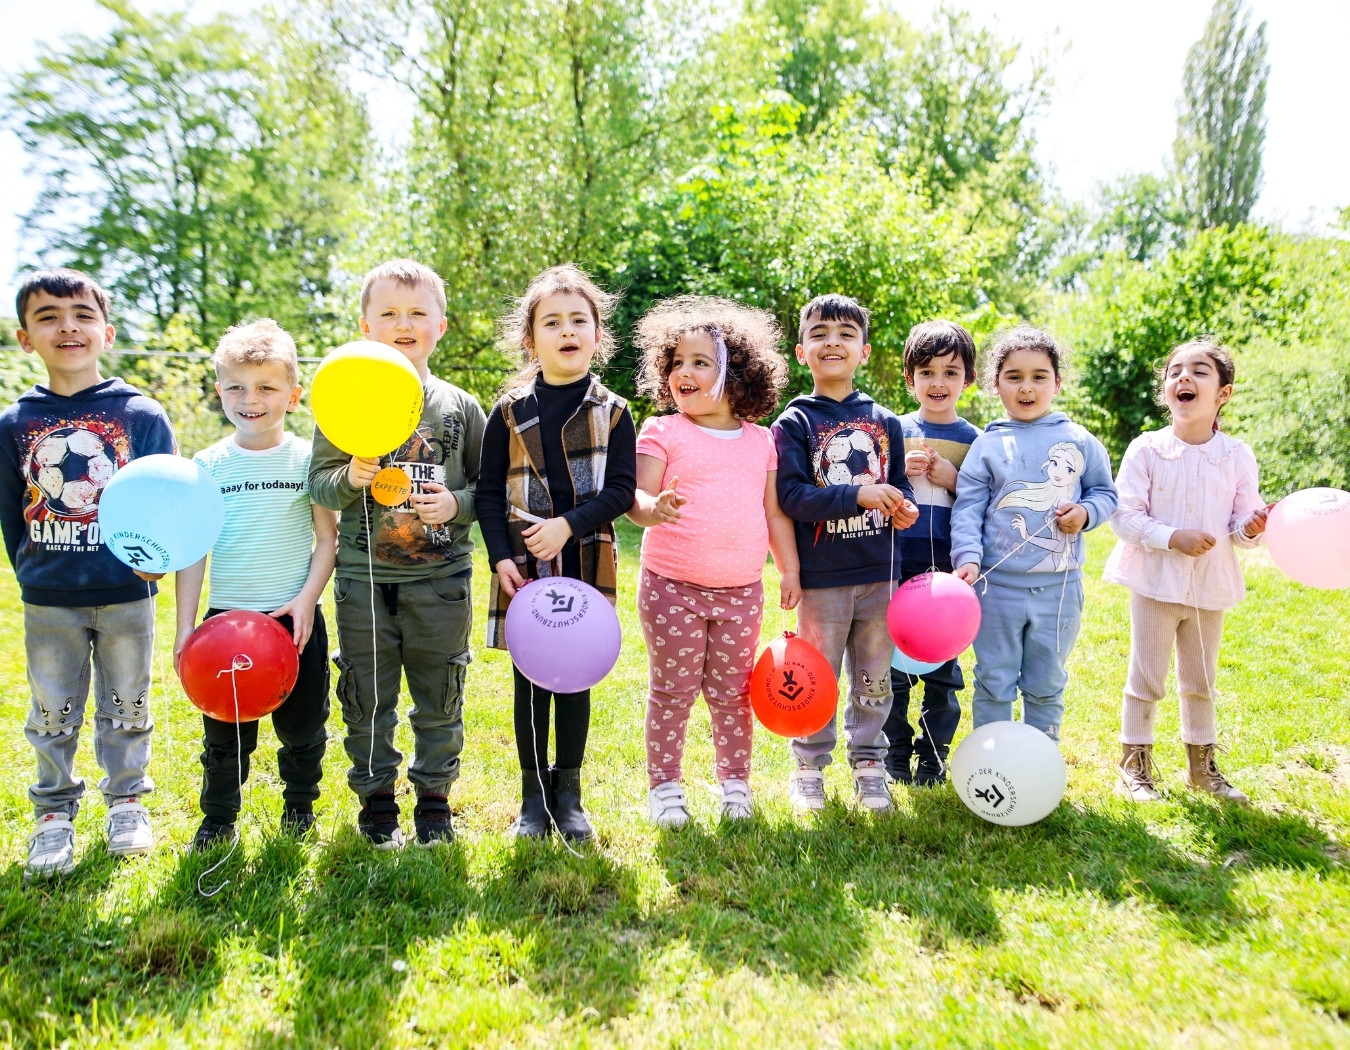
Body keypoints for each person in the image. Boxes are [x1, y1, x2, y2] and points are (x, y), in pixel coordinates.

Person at [0, 268, 175, 877]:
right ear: (26, 338)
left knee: (127, 703)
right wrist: (33, 571)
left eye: (81, 315)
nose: (67, 327)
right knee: (51, 709)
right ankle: (53, 813)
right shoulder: (14, 423)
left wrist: (152, 563)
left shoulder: (140, 414)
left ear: (107, 331)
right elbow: (10, 514)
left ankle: (127, 802)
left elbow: (167, 501)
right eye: (48, 317)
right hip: (50, 598)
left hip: (127, 592)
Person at [309, 259, 486, 849]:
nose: (403, 324)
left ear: (441, 325)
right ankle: (377, 799)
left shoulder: (459, 406)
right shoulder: (343, 401)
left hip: (441, 581)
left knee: (440, 694)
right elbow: (319, 485)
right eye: (388, 313)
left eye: (417, 313)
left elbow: (488, 488)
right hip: (364, 581)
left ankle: (435, 800)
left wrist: (455, 505)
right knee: (367, 697)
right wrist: (350, 478)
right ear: (365, 326)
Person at [478, 264, 636, 841]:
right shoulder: (508, 410)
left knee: (573, 676)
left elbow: (621, 490)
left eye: (578, 321)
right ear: (530, 339)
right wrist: (500, 557)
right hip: (522, 564)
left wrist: (568, 525)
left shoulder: (613, 410)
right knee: (529, 677)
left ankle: (568, 794)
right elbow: (488, 492)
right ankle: (532, 798)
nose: (566, 330)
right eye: (552, 322)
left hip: (584, 556)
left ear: (597, 334)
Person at [626, 296, 798, 827]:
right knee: (672, 691)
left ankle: (736, 786)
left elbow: (773, 513)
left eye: (700, 362)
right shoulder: (663, 431)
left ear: (736, 374)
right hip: (671, 586)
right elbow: (636, 499)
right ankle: (665, 788)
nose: (684, 372)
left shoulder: (761, 441)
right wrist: (655, 508)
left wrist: (789, 569)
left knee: (732, 694)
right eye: (676, 362)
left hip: (741, 591)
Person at [173, 319, 339, 850]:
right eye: (237, 387)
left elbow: (327, 540)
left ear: (293, 395)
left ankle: (300, 808)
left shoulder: (309, 460)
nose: (251, 399)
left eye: (267, 387)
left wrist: (306, 601)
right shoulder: (206, 466)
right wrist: (185, 630)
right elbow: (193, 552)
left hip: (294, 620)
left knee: (304, 728)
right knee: (225, 735)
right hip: (223, 626)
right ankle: (218, 818)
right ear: (219, 391)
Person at [771, 294, 918, 814]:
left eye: (845, 334)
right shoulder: (794, 422)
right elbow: (792, 497)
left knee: (875, 679)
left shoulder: (885, 421)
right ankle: (809, 765)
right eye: (820, 334)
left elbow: (898, 483)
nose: (832, 342)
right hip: (823, 579)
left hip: (880, 574)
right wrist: (857, 495)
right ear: (801, 352)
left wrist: (904, 506)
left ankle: (869, 763)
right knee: (817, 676)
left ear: (864, 351)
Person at [1103, 339, 1267, 803]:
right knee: (1146, 677)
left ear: (1223, 393)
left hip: (1208, 586)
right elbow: (1124, 516)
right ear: (1166, 390)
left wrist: (1251, 527)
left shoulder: (1236, 455)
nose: (1184, 378)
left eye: (1199, 371)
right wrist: (1173, 537)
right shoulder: (1147, 449)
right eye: (1175, 371)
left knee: (1200, 681)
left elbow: (1242, 523)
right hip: (1154, 581)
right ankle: (1134, 768)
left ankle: (1202, 769)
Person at [951, 325, 1117, 740]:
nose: (1027, 387)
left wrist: (1085, 512)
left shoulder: (1079, 440)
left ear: (1057, 383)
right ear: (996, 384)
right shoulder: (987, 445)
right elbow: (968, 509)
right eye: (1014, 377)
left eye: (1039, 377)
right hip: (996, 590)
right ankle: (993, 761)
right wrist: (968, 558)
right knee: (994, 679)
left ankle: (1041, 759)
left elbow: (1105, 493)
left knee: (1046, 682)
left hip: (1059, 590)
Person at [882, 320, 981, 787]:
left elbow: (984, 503)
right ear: (910, 378)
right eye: (927, 372)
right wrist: (900, 471)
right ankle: (894, 753)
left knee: (944, 670)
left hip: (948, 572)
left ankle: (933, 756)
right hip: (897, 563)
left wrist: (953, 479)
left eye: (950, 372)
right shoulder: (893, 430)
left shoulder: (976, 440)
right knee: (891, 668)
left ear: (968, 379)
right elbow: (876, 489)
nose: (938, 382)